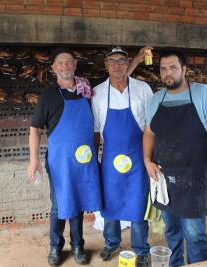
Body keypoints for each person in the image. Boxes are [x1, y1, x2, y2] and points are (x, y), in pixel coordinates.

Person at [143, 50, 207, 267]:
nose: (167, 73)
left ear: (184, 70)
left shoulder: (203, 94)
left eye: (173, 67)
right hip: (164, 177)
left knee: (194, 234)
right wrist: (146, 160)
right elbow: (149, 133)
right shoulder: (156, 99)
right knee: (171, 230)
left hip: (193, 177)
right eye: (163, 69)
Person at [27, 48, 102, 266]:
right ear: (53, 69)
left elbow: (118, 76)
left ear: (75, 65)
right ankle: (55, 246)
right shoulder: (49, 95)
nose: (65, 66)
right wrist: (34, 160)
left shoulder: (86, 91)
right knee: (60, 205)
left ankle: (78, 245)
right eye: (60, 63)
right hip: (59, 162)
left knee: (77, 204)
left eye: (69, 62)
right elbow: (34, 129)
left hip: (83, 162)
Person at [91, 46, 153, 267]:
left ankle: (141, 248)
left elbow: (150, 126)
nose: (117, 64)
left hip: (138, 156)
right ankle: (112, 243)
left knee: (138, 202)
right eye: (112, 61)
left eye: (121, 60)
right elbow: (97, 130)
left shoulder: (143, 88)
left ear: (128, 64)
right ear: (106, 65)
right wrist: (93, 162)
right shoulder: (97, 93)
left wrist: (150, 157)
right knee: (110, 202)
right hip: (110, 157)